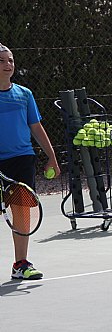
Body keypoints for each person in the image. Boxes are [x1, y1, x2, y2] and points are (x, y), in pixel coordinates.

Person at [0, 43, 60, 280]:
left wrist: (52, 157)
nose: (8, 65)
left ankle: (20, 264)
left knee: (22, 212)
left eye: (11, 60)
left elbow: (36, 127)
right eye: (2, 61)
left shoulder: (24, 95)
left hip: (22, 159)